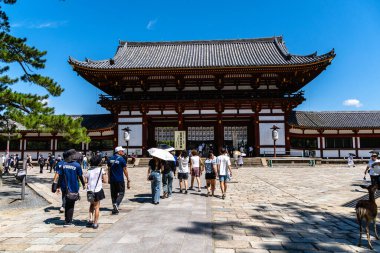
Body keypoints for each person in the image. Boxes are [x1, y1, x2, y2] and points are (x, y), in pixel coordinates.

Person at [53, 149, 85, 226]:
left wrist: (58, 186)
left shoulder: (63, 165)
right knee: (71, 203)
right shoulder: (77, 165)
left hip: (64, 186)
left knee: (66, 202)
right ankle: (68, 221)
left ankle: (67, 219)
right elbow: (80, 176)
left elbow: (60, 177)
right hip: (74, 186)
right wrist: (84, 184)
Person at [84, 154, 107, 229]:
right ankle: (95, 223)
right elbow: (105, 181)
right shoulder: (101, 170)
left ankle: (90, 219)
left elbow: (85, 181)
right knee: (97, 207)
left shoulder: (88, 170)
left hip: (90, 190)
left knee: (91, 205)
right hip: (97, 190)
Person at [108, 146, 131, 214]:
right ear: (118, 152)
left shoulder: (110, 159)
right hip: (119, 179)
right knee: (121, 193)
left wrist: (109, 178)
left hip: (112, 179)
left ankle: (115, 208)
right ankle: (117, 204)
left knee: (113, 194)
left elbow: (109, 169)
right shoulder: (121, 159)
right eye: (122, 151)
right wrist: (128, 178)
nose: (123, 152)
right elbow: (125, 170)